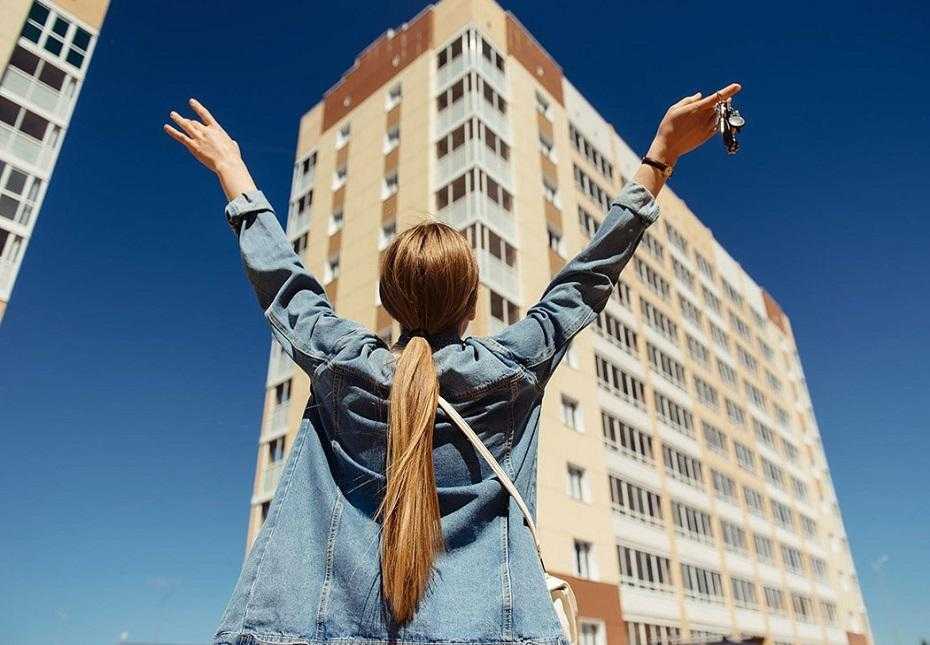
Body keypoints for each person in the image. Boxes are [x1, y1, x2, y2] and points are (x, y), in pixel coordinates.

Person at [165, 81, 742, 645]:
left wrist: (232, 170)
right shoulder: (513, 368)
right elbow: (587, 279)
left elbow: (284, 282)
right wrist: (660, 155)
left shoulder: (341, 363)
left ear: (389, 302)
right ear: (472, 304)